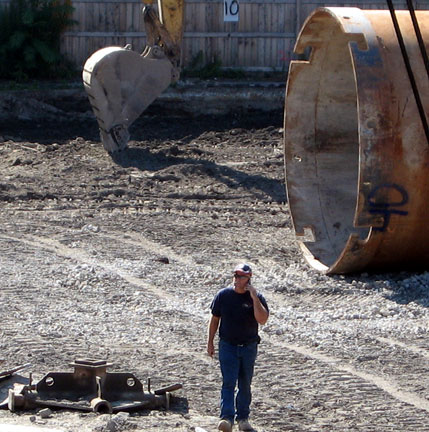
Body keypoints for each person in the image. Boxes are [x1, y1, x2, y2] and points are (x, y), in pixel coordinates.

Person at [207, 263, 269, 432]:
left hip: (248, 347)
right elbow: (214, 320)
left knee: (245, 384)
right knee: (228, 382)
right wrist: (210, 342)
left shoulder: (256, 298)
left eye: (241, 277)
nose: (237, 280)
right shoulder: (223, 295)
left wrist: (254, 297)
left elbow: (262, 319)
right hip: (228, 346)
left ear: (248, 279)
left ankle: (243, 419)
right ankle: (227, 418)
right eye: (235, 276)